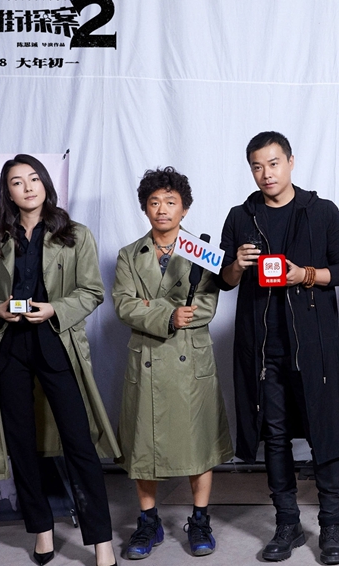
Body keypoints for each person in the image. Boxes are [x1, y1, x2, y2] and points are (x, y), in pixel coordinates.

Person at [0, 154, 119, 566]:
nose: (28, 187)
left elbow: (92, 291)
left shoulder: (75, 234)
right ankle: (42, 530)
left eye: (34, 178)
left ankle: (101, 542)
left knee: (78, 443)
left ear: (45, 184)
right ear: (8, 192)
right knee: (22, 444)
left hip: (57, 344)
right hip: (11, 348)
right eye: (17, 182)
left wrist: (56, 309)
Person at [215, 131, 339, 564]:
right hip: (263, 349)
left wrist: (306, 275)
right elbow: (223, 280)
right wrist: (236, 265)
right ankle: (287, 523)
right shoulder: (241, 216)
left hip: (314, 345)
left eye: (273, 163)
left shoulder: (321, 211)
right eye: (257, 166)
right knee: (274, 436)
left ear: (291, 162)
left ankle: (331, 526)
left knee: (323, 433)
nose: (266, 174)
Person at [112, 167, 234, 560]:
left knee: (199, 444)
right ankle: (148, 522)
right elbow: (124, 305)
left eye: (170, 202)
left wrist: (155, 308)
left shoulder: (203, 251)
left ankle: (200, 519)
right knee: (143, 445)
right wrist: (167, 314)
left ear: (184, 208)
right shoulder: (129, 255)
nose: (162, 209)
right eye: (154, 202)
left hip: (190, 361)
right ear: (144, 208)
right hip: (147, 359)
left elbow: (206, 306)